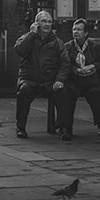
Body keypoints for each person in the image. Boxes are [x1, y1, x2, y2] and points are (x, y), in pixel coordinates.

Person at [15, 11, 71, 140]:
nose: (47, 24)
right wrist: (32, 34)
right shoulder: (27, 37)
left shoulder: (58, 42)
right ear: (36, 23)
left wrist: (60, 80)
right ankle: (21, 127)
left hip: (49, 80)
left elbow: (65, 63)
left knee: (63, 91)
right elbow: (20, 50)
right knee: (24, 91)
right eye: (44, 21)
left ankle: (62, 127)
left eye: (50, 22)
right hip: (29, 79)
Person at [63, 18, 100, 137]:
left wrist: (93, 66)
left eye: (79, 30)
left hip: (90, 81)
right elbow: (64, 65)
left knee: (95, 95)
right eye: (74, 29)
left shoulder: (94, 46)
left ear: (86, 33)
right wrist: (75, 70)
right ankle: (67, 128)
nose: (75, 32)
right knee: (68, 95)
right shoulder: (67, 47)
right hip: (74, 81)